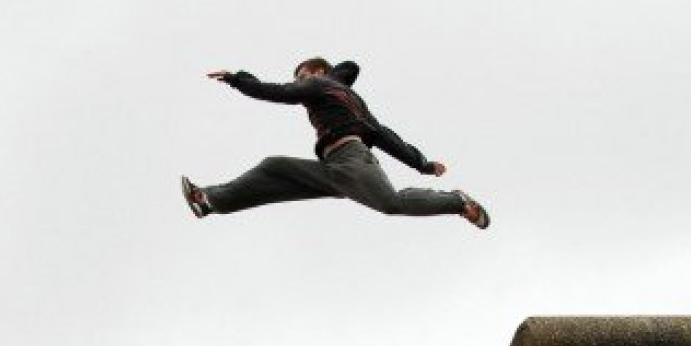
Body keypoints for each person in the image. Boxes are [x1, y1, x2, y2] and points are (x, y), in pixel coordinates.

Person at [181, 57, 490, 230]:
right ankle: (210, 200)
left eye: (302, 77)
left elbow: (274, 92)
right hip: (334, 167)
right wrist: (421, 163)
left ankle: (457, 201)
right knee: (274, 166)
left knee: (390, 203)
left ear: (318, 72)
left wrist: (237, 79)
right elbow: (385, 136)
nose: (299, 84)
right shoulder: (352, 101)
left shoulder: (318, 85)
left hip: (351, 161)